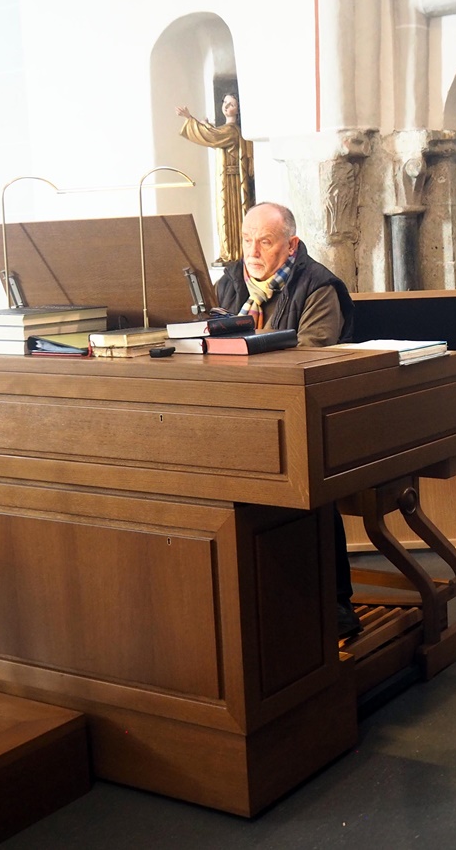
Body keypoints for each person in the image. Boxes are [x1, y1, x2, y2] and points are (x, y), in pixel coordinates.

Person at [218, 201, 361, 637]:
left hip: (309, 421)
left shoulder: (320, 287)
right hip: (238, 415)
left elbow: (307, 361)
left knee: (309, 489)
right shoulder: (228, 284)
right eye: (247, 240)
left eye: (265, 241)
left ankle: (335, 603)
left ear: (291, 244)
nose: (253, 251)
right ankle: (258, 598)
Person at [177, 93, 255, 264]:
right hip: (225, 181)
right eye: (225, 102)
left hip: (232, 183)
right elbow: (214, 135)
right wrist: (204, 125)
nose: (227, 106)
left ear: (239, 109)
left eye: (232, 104)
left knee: (229, 215)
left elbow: (212, 136)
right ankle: (229, 251)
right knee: (223, 216)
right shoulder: (226, 130)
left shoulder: (232, 130)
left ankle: (234, 252)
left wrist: (190, 118)